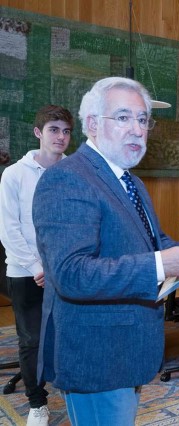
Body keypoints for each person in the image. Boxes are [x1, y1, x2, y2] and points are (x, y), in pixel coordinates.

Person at [31, 77, 179, 425]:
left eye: (143, 120)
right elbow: (72, 274)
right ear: (93, 124)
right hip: (97, 355)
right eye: (124, 118)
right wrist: (160, 264)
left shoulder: (130, 181)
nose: (138, 129)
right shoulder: (68, 178)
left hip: (127, 348)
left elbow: (154, 242)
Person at [0, 105, 74, 425]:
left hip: (64, 270)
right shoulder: (15, 174)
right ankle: (37, 402)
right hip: (26, 272)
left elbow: (77, 224)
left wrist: (60, 264)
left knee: (67, 334)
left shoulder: (74, 172)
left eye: (66, 131)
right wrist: (35, 266)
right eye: (54, 130)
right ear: (38, 133)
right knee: (31, 340)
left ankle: (71, 387)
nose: (61, 137)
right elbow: (9, 228)